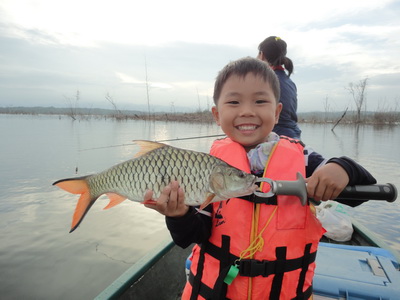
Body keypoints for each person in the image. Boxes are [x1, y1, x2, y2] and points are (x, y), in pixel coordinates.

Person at [144, 57, 376, 299]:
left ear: (277, 113)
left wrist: (342, 168)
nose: (247, 111)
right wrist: (178, 215)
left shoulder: (304, 160)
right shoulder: (206, 168)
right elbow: (192, 236)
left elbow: (363, 192)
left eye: (260, 101)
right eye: (234, 102)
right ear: (216, 114)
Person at [258, 36, 301, 139]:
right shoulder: (289, 81)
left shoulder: (266, 81)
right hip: (294, 134)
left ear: (262, 55)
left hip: (277, 137)